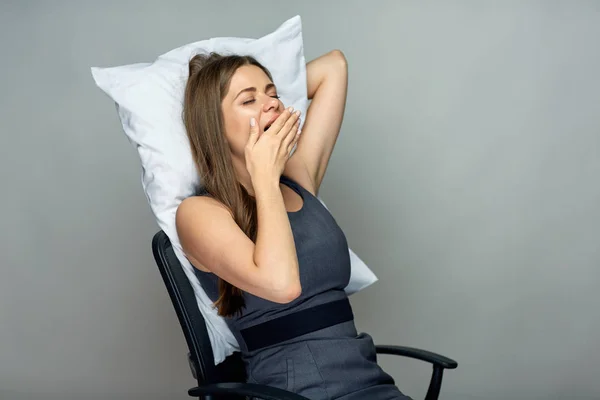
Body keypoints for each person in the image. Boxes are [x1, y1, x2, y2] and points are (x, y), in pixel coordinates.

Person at [175, 50, 411, 399]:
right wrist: (264, 178)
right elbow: (282, 286)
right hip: (296, 391)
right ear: (214, 126)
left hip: (369, 380)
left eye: (273, 93)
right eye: (248, 100)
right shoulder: (199, 213)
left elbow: (334, 67)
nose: (271, 104)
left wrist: (260, 99)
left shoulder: (298, 181)